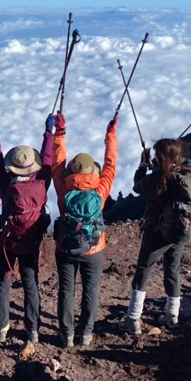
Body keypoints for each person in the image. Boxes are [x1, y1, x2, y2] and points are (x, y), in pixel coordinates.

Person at [119, 139, 191, 335]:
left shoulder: (159, 179)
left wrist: (143, 165)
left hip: (157, 232)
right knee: (172, 269)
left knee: (144, 269)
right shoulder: (188, 173)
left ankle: (133, 319)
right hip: (179, 231)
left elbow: (137, 186)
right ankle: (172, 315)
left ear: (159, 157)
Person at [0, 112, 54, 344]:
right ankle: (32, 329)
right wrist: (49, 132)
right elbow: (48, 159)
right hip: (31, 242)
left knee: (2, 284)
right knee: (31, 285)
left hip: (7, 243)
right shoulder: (43, 183)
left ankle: (0, 330)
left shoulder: (6, 186)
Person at [52, 112, 118, 347]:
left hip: (66, 247)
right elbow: (110, 164)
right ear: (93, 173)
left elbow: (57, 163)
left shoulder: (63, 189)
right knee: (90, 290)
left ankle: (67, 334)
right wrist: (110, 135)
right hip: (94, 248)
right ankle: (86, 333)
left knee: (66, 291)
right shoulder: (100, 191)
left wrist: (60, 133)